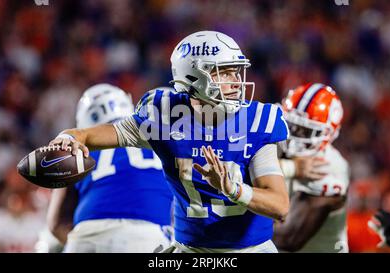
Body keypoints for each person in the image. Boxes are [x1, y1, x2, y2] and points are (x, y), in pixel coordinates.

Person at [46, 30, 290, 253]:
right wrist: (70, 137)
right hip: (190, 248)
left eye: (236, 71)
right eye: (225, 72)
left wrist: (233, 190)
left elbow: (279, 205)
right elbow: (94, 135)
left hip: (251, 250)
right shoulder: (163, 115)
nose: (236, 81)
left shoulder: (257, 121)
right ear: (195, 76)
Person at [40, 83, 174, 253]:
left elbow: (55, 224)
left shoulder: (78, 147)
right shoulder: (164, 143)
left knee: (48, 244)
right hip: (148, 236)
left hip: (87, 236)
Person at [272, 83, 350, 253]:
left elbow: (285, 239)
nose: (293, 135)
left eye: (305, 131)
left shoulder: (329, 168)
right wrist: (290, 167)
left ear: (327, 134)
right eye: (291, 125)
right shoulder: (278, 147)